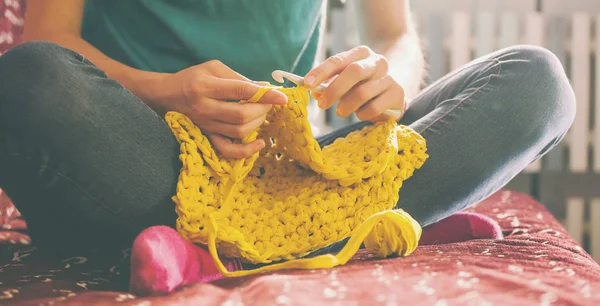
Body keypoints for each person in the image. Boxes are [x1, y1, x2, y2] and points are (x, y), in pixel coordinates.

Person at [0, 0, 575, 254]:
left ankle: (225, 244)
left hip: (301, 173)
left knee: (537, 81)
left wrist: (386, 78)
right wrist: (167, 91)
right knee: (29, 79)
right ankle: (357, 229)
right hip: (148, 159)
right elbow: (49, 37)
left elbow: (392, 34)